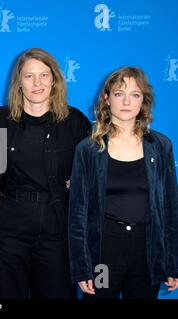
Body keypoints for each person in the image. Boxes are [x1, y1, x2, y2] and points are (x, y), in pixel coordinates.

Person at [0, 48, 91, 299]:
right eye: (29, 76)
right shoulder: (0, 120)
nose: (37, 83)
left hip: (56, 229)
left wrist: (76, 184)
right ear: (18, 82)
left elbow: (92, 179)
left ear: (54, 79)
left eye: (44, 75)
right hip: (10, 228)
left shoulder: (75, 122)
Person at [68, 66, 178, 299]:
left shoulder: (161, 147)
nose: (126, 101)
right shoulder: (88, 149)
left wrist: (172, 263)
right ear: (107, 99)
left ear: (143, 101)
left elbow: (170, 210)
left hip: (145, 252)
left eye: (135, 94)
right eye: (119, 93)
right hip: (104, 254)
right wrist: (82, 268)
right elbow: (78, 214)